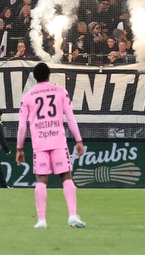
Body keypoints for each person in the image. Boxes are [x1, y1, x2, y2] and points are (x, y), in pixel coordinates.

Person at [15, 62, 86, 229]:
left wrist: (19, 148)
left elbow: (22, 126)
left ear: (34, 76)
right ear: (49, 75)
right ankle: (72, 216)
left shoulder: (27, 97)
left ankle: (41, 220)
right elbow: (70, 118)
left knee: (41, 180)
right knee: (66, 177)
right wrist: (78, 140)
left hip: (39, 142)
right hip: (58, 141)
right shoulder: (60, 92)